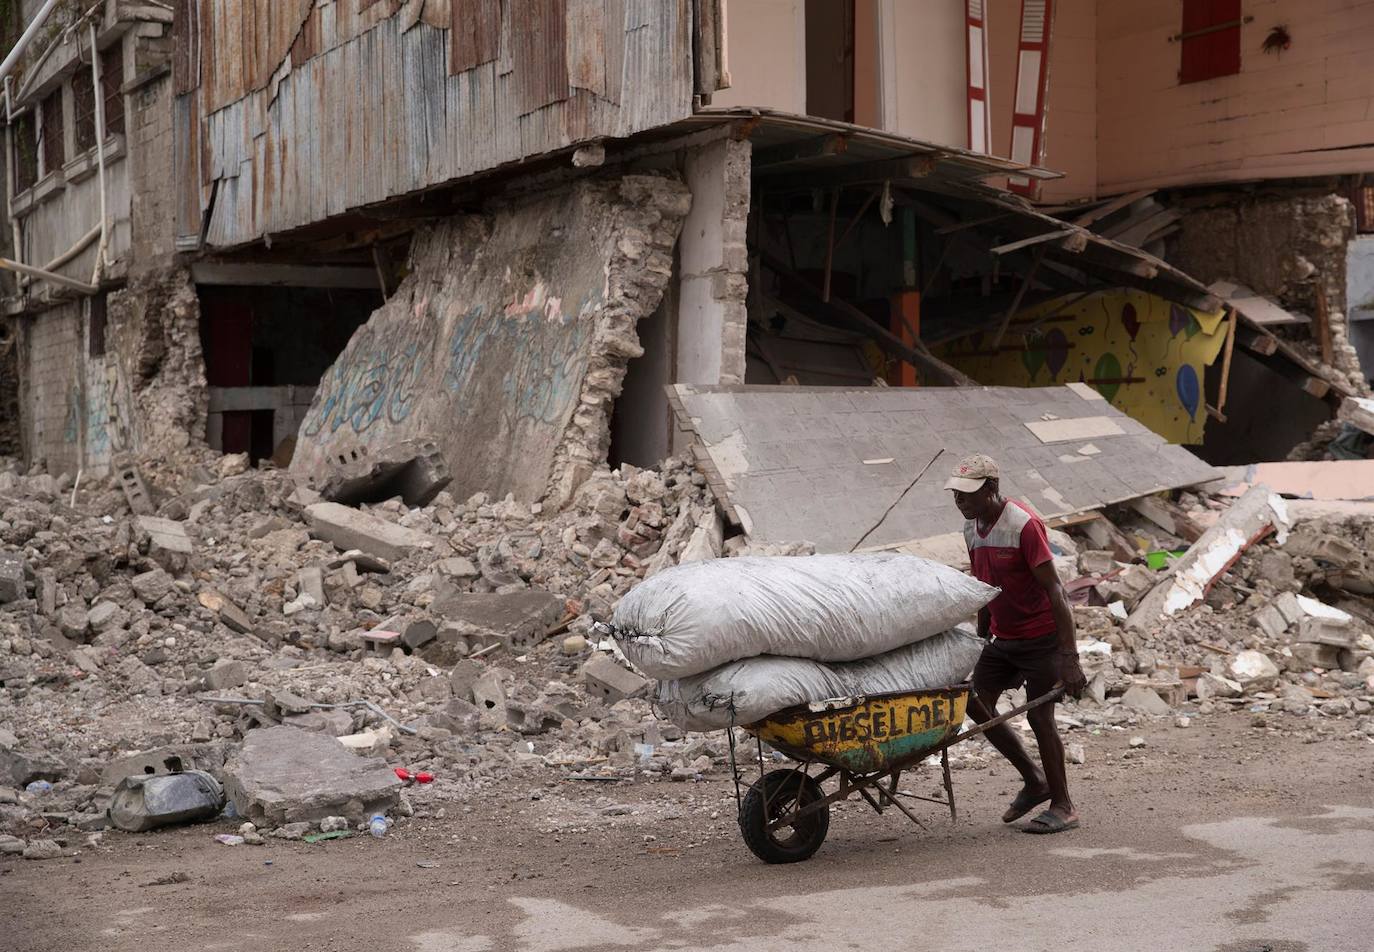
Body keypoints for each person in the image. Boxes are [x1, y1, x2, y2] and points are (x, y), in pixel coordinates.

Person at [944, 453, 1087, 834]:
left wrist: (1070, 658)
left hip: (1041, 637)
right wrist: (979, 641)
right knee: (974, 700)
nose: (961, 502)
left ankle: (1064, 806)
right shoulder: (972, 528)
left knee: (1040, 718)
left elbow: (1056, 592)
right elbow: (984, 586)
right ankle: (1034, 780)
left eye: (968, 494)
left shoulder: (1024, 524)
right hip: (1004, 637)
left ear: (991, 488)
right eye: (956, 494)